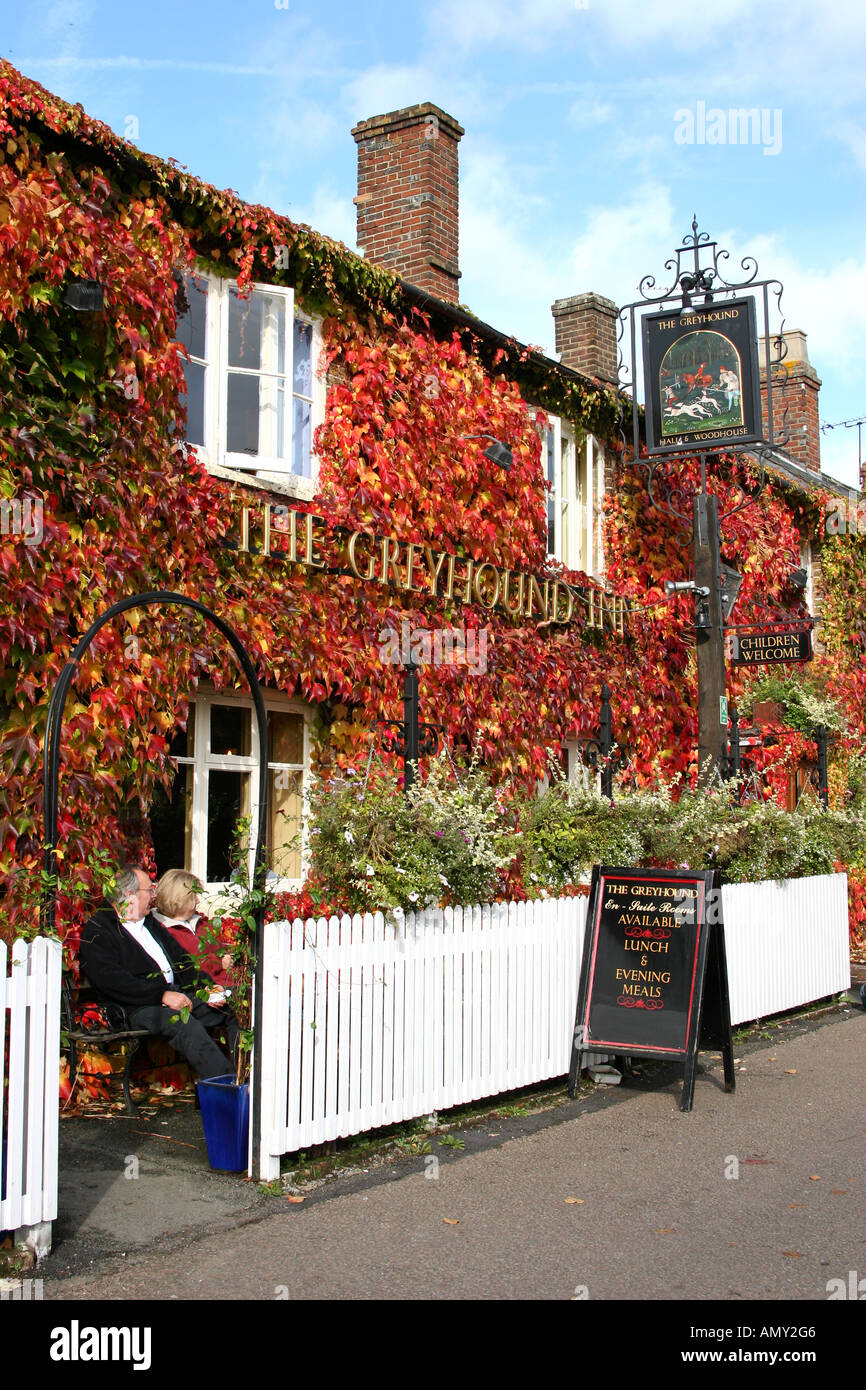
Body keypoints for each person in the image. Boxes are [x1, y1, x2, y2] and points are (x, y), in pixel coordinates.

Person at [78, 864, 238, 1080]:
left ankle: (245, 1077)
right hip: (134, 1006)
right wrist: (161, 995)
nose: (154, 896)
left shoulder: (149, 923)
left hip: (173, 994)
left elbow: (183, 963)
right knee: (180, 1021)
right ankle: (228, 1087)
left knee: (231, 1005)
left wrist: (208, 988)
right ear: (130, 895)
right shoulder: (100, 928)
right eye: (149, 890)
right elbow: (111, 980)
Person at [152, 868, 237, 995]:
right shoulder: (165, 931)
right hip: (211, 992)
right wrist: (219, 963)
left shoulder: (200, 922)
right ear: (179, 899)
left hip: (233, 982)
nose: (197, 901)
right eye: (193, 896)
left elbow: (219, 950)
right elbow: (187, 969)